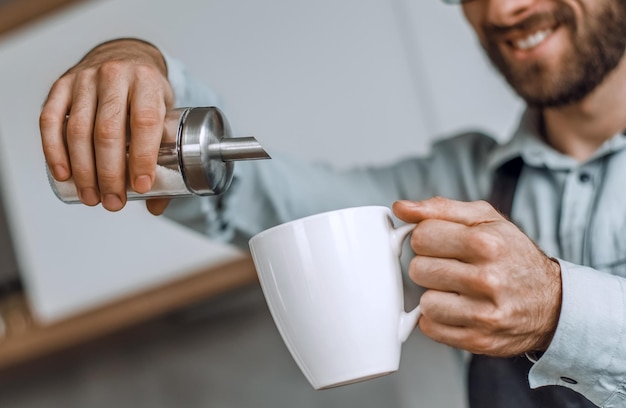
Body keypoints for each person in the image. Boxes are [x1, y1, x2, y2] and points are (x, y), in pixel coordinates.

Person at [38, 0, 626, 406]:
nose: (500, 10)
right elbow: (258, 194)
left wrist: (556, 306)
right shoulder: (465, 180)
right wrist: (142, 69)